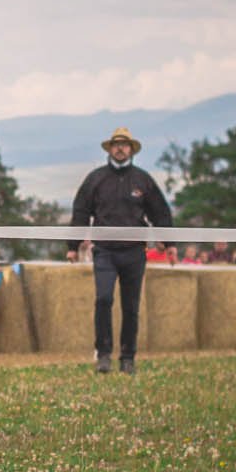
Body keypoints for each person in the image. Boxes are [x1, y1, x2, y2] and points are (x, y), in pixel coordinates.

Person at [71, 126, 172, 374]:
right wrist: (72, 246)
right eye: (116, 144)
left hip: (134, 253)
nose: (120, 148)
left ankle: (128, 357)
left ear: (131, 149)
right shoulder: (95, 179)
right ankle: (103, 355)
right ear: (110, 148)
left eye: (124, 144)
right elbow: (80, 211)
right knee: (103, 299)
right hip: (104, 251)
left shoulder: (143, 180)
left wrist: (169, 243)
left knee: (131, 307)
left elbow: (160, 212)